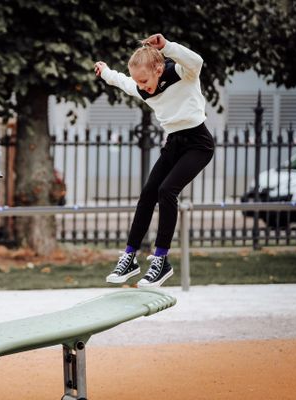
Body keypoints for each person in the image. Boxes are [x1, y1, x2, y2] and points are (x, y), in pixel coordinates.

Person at [95, 33, 214, 287]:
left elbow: (197, 61)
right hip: (173, 144)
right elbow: (123, 82)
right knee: (149, 192)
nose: (142, 86)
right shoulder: (142, 87)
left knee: (166, 191)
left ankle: (161, 260)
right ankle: (130, 257)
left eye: (145, 80)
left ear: (159, 69)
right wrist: (105, 72)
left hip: (198, 145)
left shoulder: (183, 74)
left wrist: (168, 47)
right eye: (139, 82)